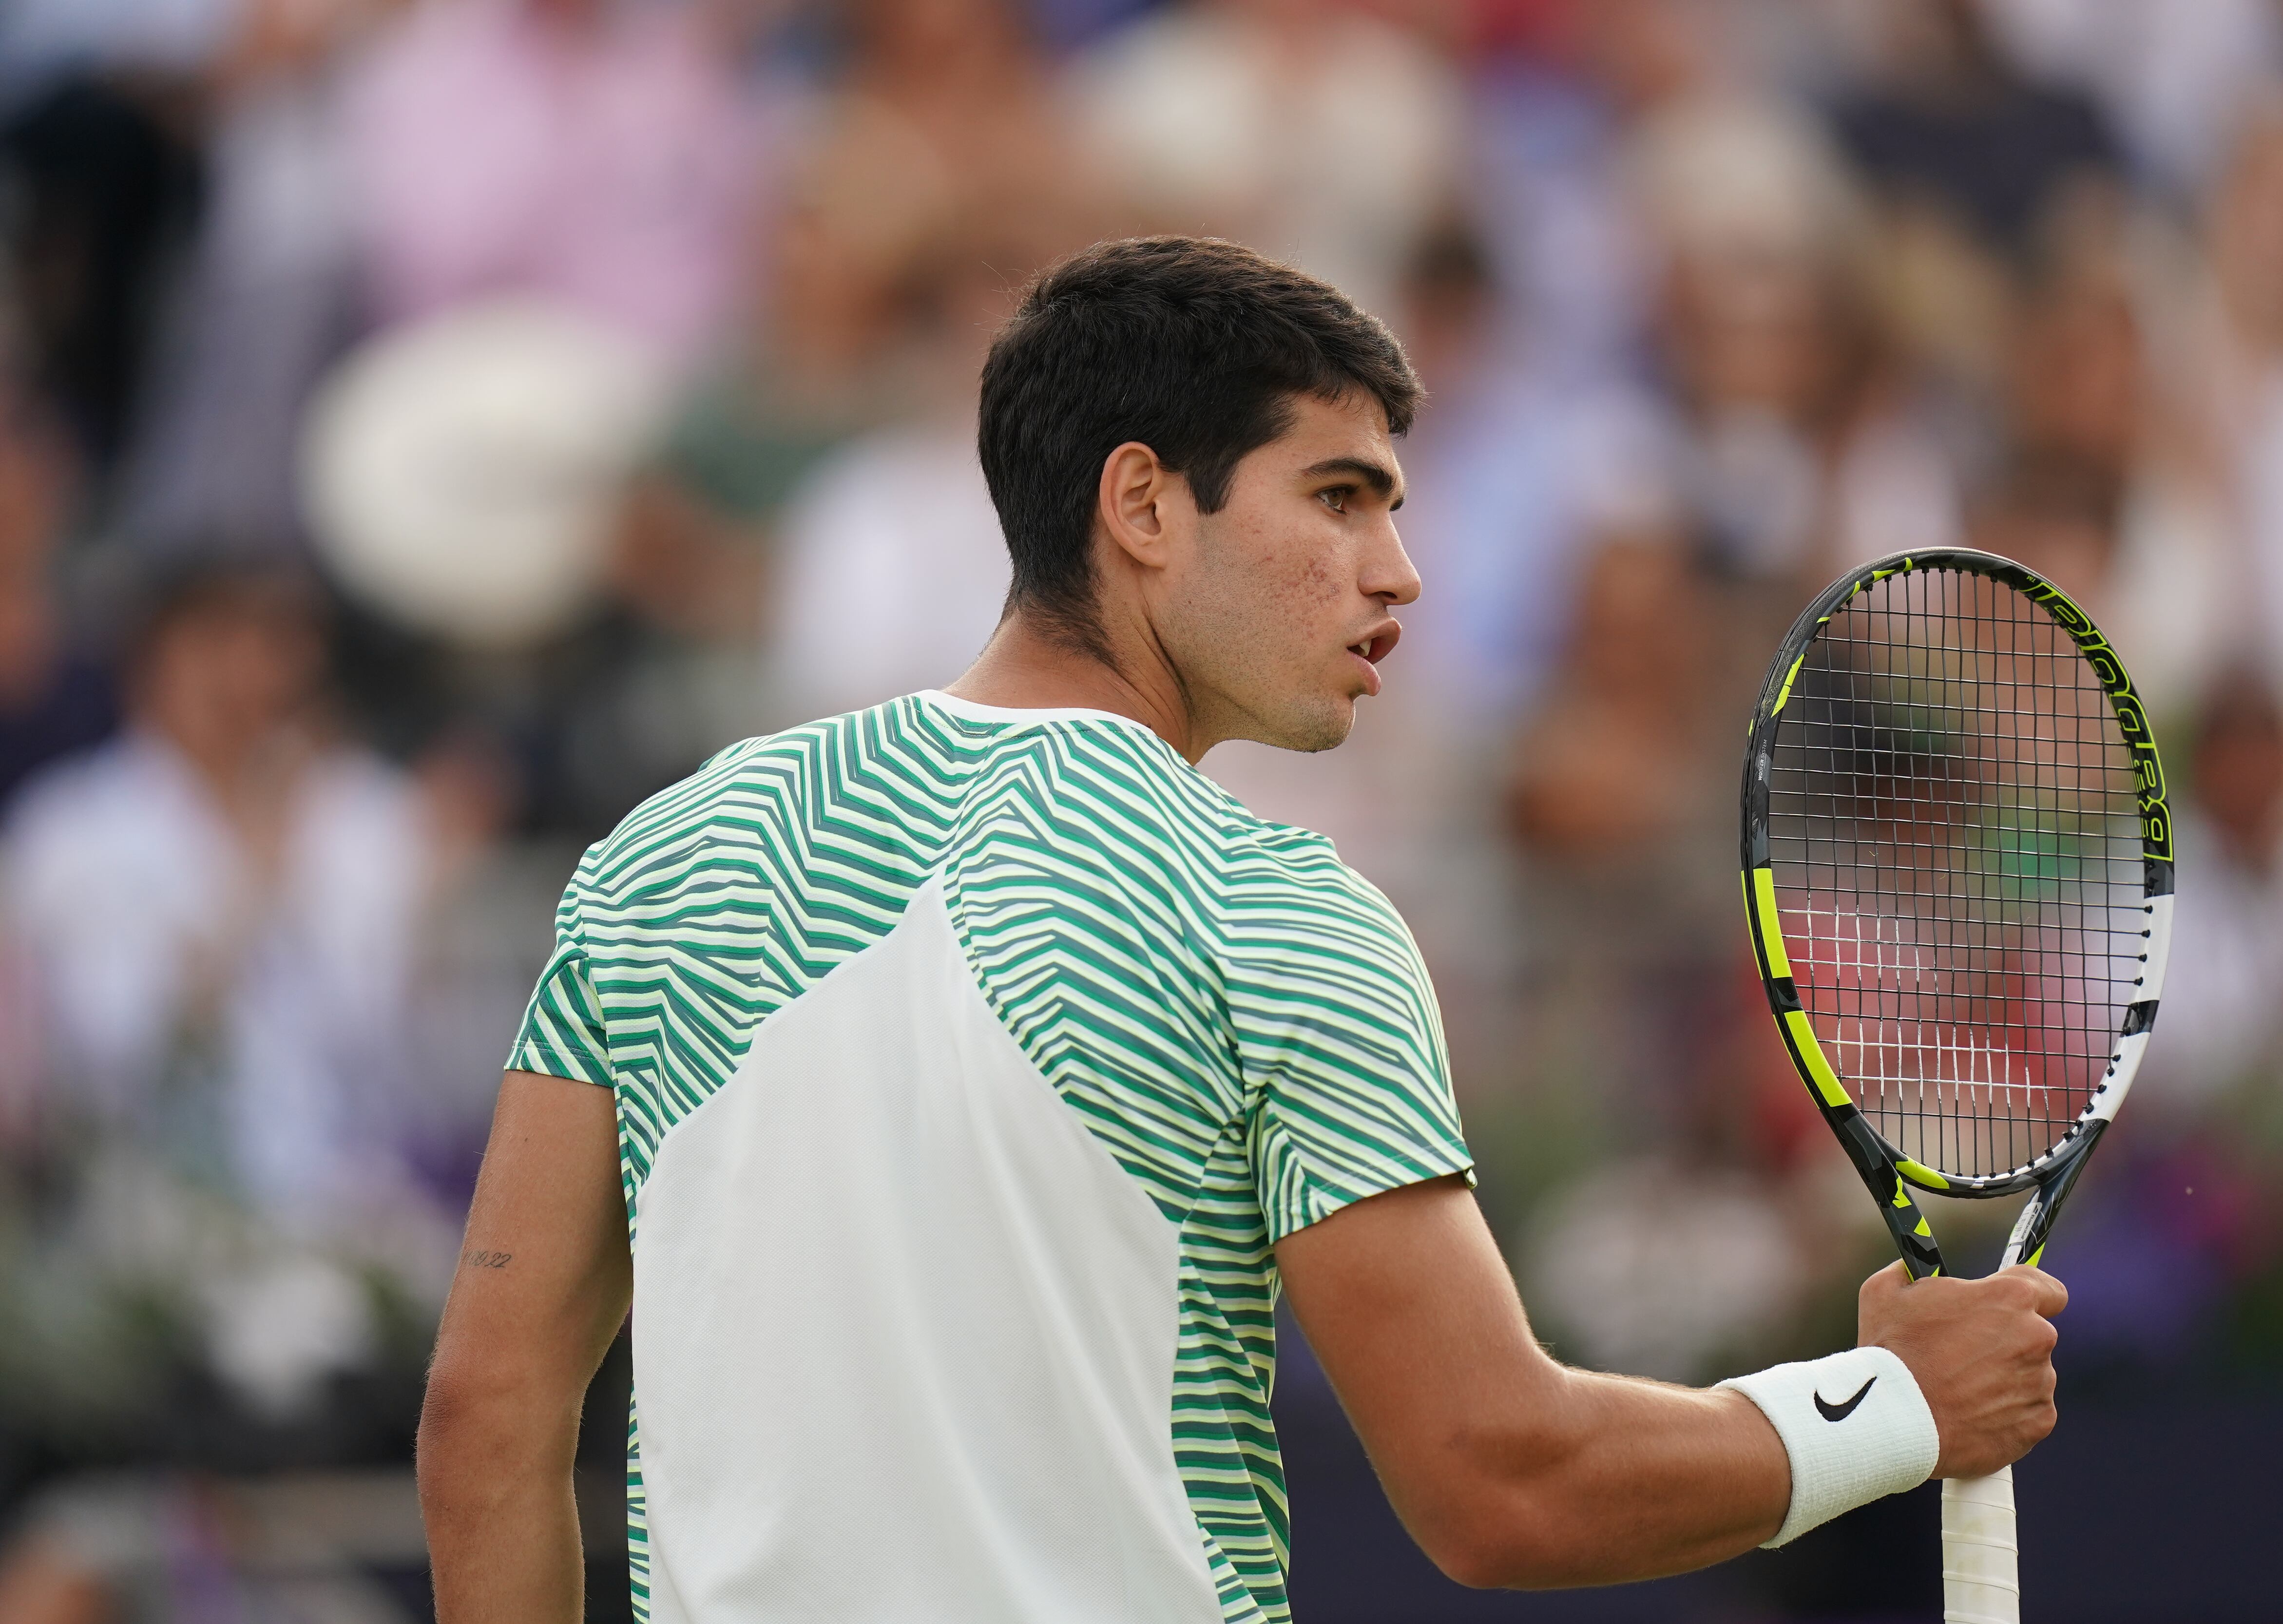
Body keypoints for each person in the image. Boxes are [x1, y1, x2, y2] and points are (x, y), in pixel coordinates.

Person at [416, 237, 2068, 1623]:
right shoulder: (1270, 910)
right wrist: (1884, 1409)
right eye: (1339, 498)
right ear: (1143, 505)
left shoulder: (661, 861)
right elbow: (1503, 1480)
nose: (1401, 572)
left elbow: (488, 1418)